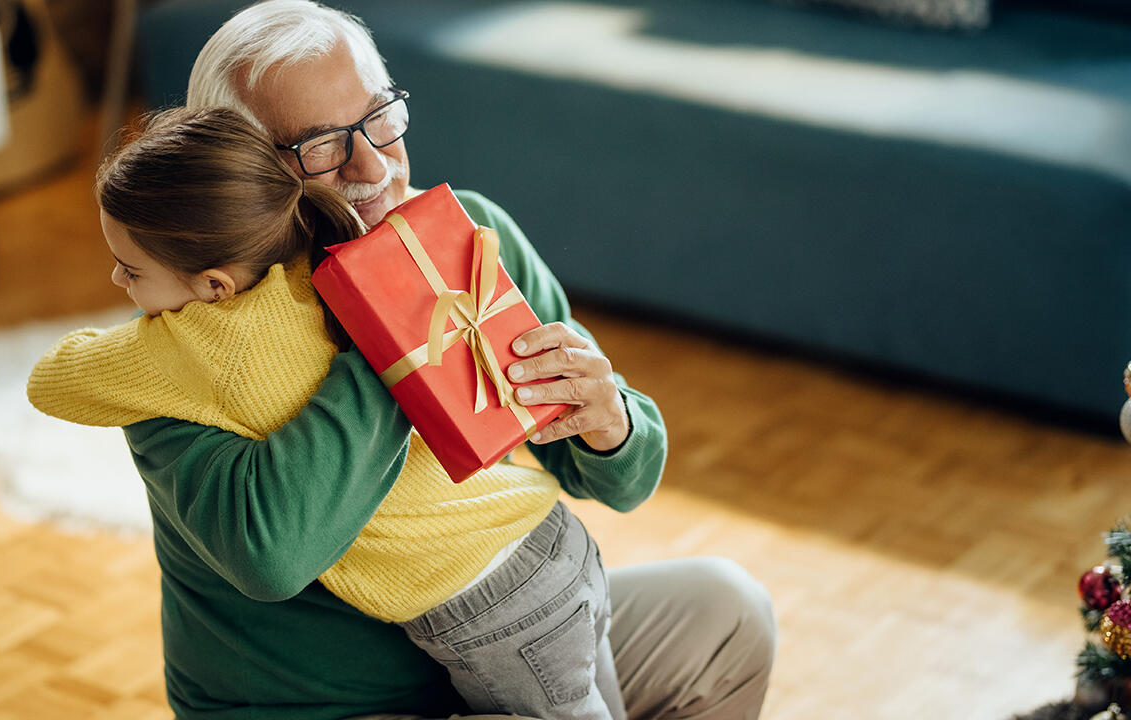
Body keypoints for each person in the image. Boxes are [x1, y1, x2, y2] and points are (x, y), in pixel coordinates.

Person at [113, 1, 775, 718]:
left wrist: (608, 421)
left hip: (495, 644)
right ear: (242, 170)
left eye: (379, 119)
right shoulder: (185, 337)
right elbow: (268, 559)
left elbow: (619, 482)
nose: (372, 166)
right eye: (322, 146)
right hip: (325, 707)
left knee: (726, 613)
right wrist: (393, 332)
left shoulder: (472, 238)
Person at [29, 105, 625, 719]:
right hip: (550, 535)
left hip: (496, 609)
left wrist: (145, 329)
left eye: (130, 270)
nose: (117, 279)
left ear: (213, 286)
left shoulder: (186, 347)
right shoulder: (331, 274)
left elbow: (50, 380)